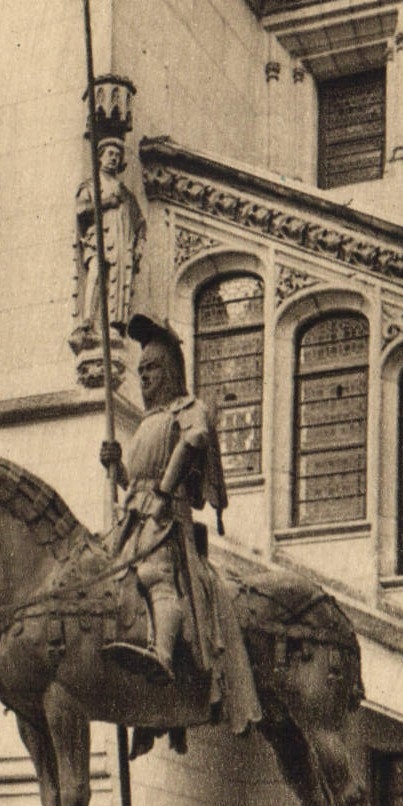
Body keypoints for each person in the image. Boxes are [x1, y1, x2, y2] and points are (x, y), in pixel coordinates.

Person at [100, 315, 261, 736]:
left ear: (170, 369)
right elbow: (132, 482)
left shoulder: (190, 408)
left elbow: (196, 440)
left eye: (151, 369)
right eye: (140, 372)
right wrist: (116, 467)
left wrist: (165, 491)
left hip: (168, 519)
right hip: (133, 518)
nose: (144, 379)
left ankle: (163, 657)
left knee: (156, 576)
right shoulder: (147, 422)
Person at [75, 139, 146, 339]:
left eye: (117, 155)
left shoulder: (126, 194)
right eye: (110, 154)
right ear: (100, 158)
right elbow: (81, 209)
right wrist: (107, 203)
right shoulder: (91, 185)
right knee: (96, 274)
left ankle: (115, 324)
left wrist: (139, 245)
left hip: (121, 245)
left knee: (117, 280)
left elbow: (141, 222)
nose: (114, 159)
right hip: (98, 240)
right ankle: (88, 321)